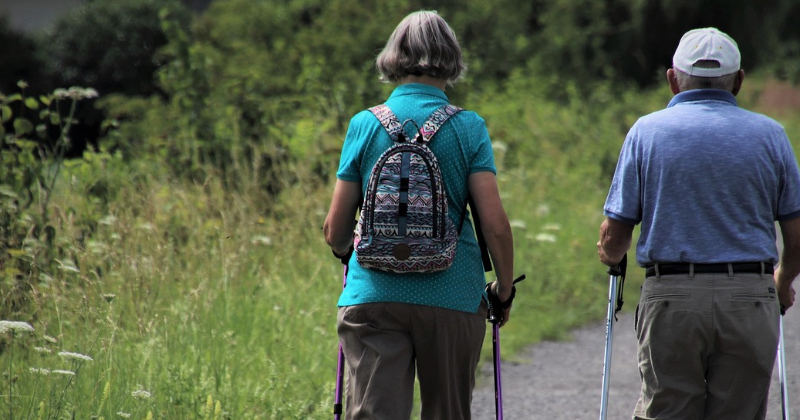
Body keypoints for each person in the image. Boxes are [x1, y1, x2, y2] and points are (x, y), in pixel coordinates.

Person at [597, 27, 800, 420]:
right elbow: (797, 239)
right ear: (738, 81)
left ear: (673, 79)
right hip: (749, 298)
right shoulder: (772, 136)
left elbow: (616, 236)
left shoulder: (646, 132)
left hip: (671, 299)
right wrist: (782, 281)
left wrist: (609, 252)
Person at [323, 10, 515, 420]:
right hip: (453, 294)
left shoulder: (364, 125)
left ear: (393, 57)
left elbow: (335, 230)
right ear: (451, 58)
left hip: (373, 296)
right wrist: (503, 291)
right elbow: (495, 226)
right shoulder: (469, 127)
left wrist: (345, 252)